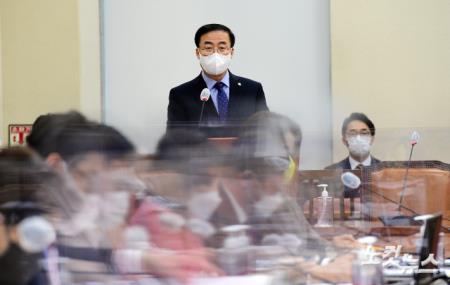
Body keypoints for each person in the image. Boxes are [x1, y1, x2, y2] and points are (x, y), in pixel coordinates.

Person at [167, 23, 269, 136]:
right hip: (201, 153)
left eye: (222, 48)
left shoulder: (252, 90)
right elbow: (173, 141)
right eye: (208, 48)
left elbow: (266, 132)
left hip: (244, 153)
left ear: (231, 52)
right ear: (198, 53)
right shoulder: (181, 94)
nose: (215, 54)